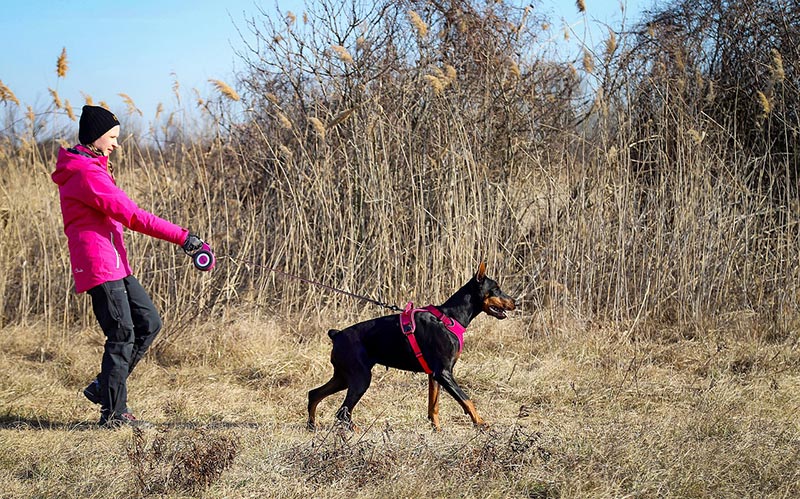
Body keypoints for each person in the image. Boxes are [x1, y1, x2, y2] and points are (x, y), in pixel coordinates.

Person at [51, 105, 207, 428]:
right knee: (122, 333)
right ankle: (114, 414)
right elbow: (133, 216)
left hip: (116, 263)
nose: (116, 145)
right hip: (99, 265)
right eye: (112, 137)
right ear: (95, 136)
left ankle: (103, 386)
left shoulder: (95, 167)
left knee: (148, 323)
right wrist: (183, 238)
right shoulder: (87, 174)